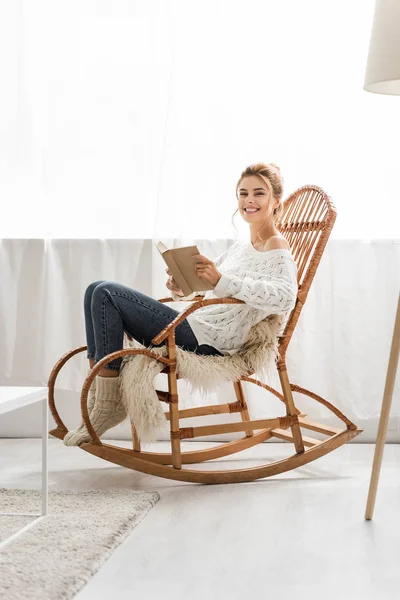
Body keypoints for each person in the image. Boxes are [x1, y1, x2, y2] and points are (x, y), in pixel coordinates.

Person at [63, 161, 298, 446]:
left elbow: (285, 296)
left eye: (258, 193)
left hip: (209, 342)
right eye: (243, 193)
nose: (249, 200)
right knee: (94, 289)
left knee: (107, 293)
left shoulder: (276, 245)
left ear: (275, 201)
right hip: (195, 322)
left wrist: (221, 281)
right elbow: (210, 293)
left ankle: (108, 405)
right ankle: (99, 398)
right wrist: (181, 288)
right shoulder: (240, 248)